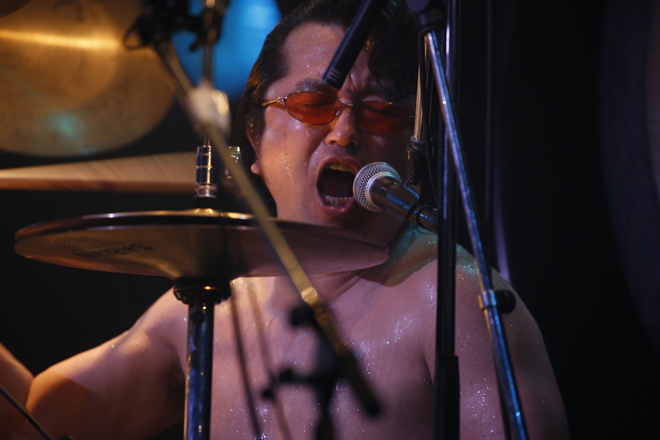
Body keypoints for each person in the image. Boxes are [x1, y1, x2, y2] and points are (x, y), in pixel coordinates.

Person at [0, 1, 570, 439]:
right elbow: (33, 422)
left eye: (379, 111)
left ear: (408, 149)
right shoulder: (210, 306)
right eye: (314, 105)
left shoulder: (454, 301)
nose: (345, 132)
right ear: (255, 137)